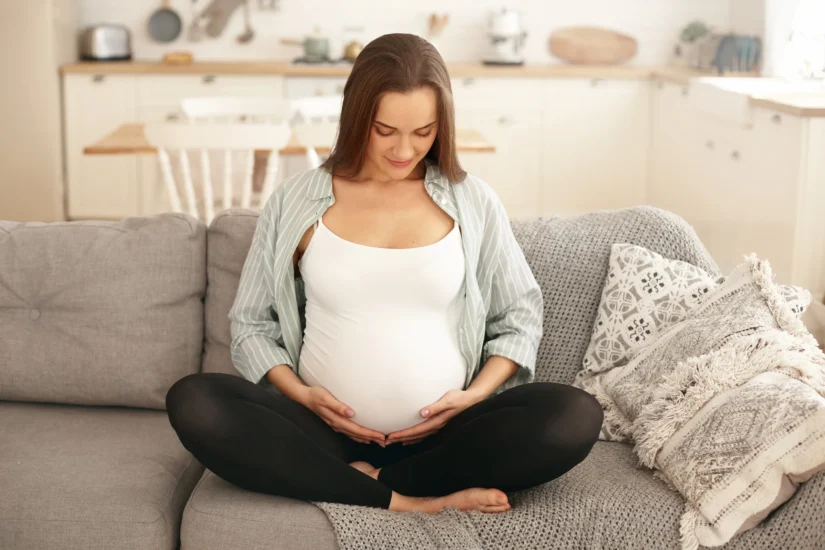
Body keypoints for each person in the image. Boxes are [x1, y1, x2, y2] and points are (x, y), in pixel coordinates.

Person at [166, 33, 602, 515]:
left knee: (574, 416)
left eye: (423, 132)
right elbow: (251, 325)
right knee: (195, 401)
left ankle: (374, 483)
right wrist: (306, 397)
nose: (404, 149)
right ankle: (409, 501)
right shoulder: (296, 201)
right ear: (357, 118)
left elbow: (518, 317)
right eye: (385, 130)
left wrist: (472, 397)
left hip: (444, 435)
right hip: (320, 432)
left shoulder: (472, 200)